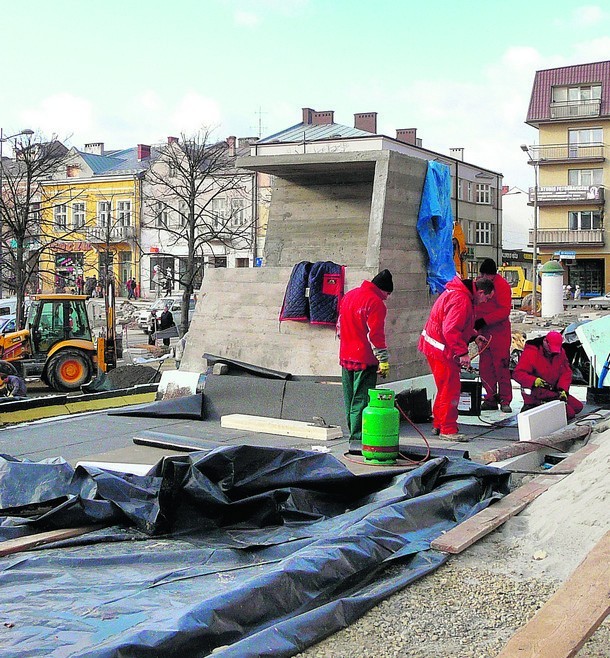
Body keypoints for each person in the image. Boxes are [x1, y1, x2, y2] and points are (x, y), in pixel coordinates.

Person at [419, 276, 495, 442]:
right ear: (481, 292)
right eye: (486, 298)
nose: (485, 302)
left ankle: (439, 424)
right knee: (451, 389)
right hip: (442, 350)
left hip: (435, 346)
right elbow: (451, 330)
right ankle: (448, 429)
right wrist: (462, 354)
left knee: (445, 387)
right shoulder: (462, 299)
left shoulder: (459, 294)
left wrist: (473, 336)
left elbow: (456, 323)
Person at [337, 269, 393, 452]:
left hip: (346, 356)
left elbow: (339, 325)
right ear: (383, 290)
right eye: (388, 294)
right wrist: (383, 359)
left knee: (350, 399)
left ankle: (352, 434)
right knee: (361, 400)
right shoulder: (375, 303)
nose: (387, 298)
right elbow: (375, 335)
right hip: (365, 359)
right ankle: (358, 439)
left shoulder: (350, 295)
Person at [512, 330, 583, 420]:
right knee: (569, 414)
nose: (552, 352)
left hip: (554, 391)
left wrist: (563, 389)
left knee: (578, 407)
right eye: (551, 348)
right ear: (545, 341)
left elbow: (566, 372)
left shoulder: (560, 352)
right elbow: (518, 374)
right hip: (537, 394)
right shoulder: (531, 352)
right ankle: (531, 407)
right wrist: (534, 381)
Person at [474, 258, 513, 413]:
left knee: (501, 367)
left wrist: (484, 320)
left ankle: (505, 399)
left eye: (485, 275)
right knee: (485, 367)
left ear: (491, 275)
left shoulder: (502, 286)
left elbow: (504, 311)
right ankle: (490, 398)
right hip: (484, 331)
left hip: (499, 333)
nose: (483, 277)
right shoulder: (480, 284)